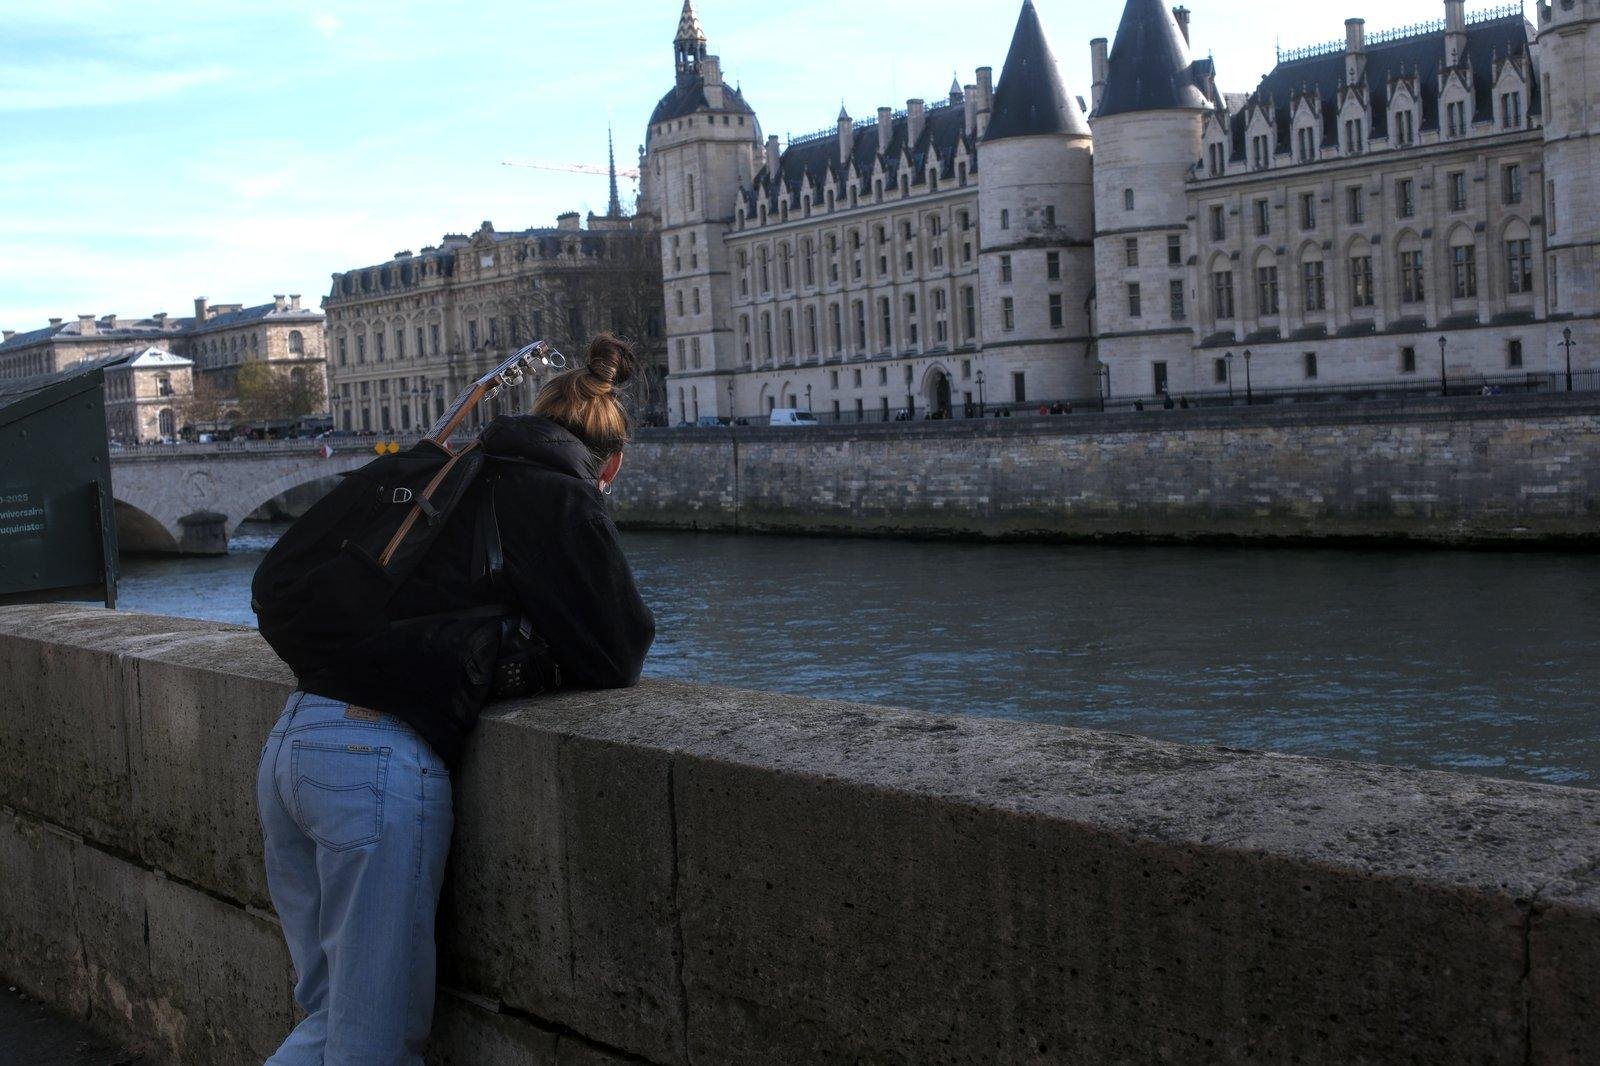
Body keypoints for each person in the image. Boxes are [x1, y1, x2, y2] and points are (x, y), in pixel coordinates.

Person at [255, 333, 656, 1065]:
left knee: (325, 1023)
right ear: (613, 463)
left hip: (294, 741)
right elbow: (617, 650)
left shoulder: (447, 472)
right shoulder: (557, 494)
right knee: (370, 1046)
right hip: (374, 765)